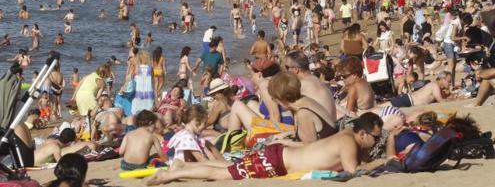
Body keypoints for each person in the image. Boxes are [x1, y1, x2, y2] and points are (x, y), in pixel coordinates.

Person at [145, 113, 384, 184]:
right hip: (275, 162)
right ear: (362, 133)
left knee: (232, 167)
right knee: (222, 175)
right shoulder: (347, 141)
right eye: (376, 136)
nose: (377, 140)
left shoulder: (346, 137)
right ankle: (171, 174)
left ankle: (182, 166)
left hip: (278, 156)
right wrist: (387, 160)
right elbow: (354, 172)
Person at [267, 72, 337, 143]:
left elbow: (310, 148)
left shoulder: (303, 113)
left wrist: (283, 142)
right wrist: (285, 135)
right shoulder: (304, 100)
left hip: (324, 151)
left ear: (281, 98)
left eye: (274, 99)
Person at [284, 50, 336, 120]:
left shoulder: (302, 85)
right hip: (330, 125)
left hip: (323, 128)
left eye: (287, 67)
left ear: (296, 69)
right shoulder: (316, 80)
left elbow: (287, 108)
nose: (285, 71)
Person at [384, 71, 453, 108]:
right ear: (442, 79)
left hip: (408, 100)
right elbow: (441, 101)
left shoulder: (434, 85)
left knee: (382, 107)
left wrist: (449, 94)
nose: (450, 83)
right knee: (380, 108)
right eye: (449, 81)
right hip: (408, 100)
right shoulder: (434, 86)